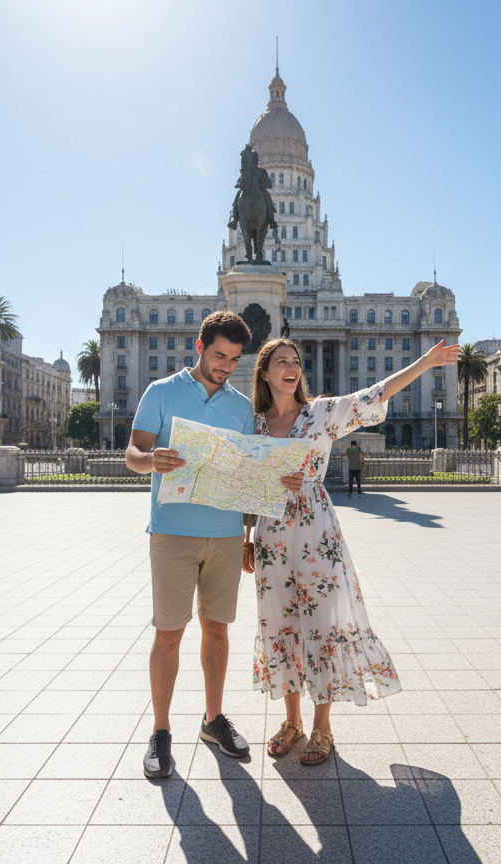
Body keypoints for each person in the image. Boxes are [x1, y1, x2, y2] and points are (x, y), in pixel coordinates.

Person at [247, 337, 461, 767]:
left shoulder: (321, 413)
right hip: (271, 535)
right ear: (265, 373)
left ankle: (322, 726)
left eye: (295, 362)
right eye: (280, 362)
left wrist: (428, 361)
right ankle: (292, 723)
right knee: (280, 621)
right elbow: (247, 483)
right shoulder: (254, 425)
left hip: (314, 529)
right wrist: (246, 536)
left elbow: (376, 393)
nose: (291, 368)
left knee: (322, 621)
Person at [126, 312, 303, 780]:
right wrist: (152, 460)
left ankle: (212, 720)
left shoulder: (241, 406)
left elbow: (249, 471)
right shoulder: (161, 392)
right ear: (200, 346)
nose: (225, 366)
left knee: (218, 630)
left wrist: (271, 488)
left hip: (225, 535)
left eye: (234, 359)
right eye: (219, 355)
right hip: (172, 532)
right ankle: (161, 732)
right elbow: (132, 453)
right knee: (168, 633)